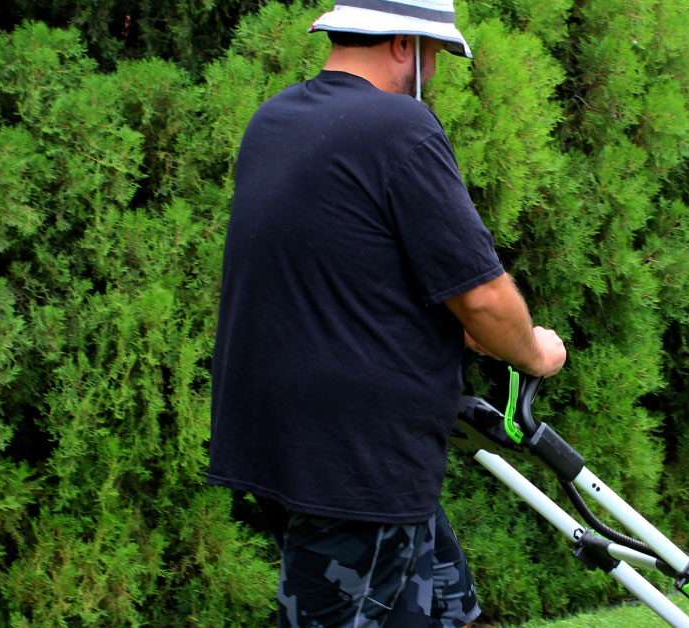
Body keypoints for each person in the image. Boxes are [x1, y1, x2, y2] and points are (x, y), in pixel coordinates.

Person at [206, 1, 567, 626]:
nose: (435, 72)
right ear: (405, 44)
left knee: (446, 612)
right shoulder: (400, 126)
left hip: (285, 442)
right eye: (435, 56)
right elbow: (480, 292)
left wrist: (451, 328)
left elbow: (334, 271)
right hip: (357, 461)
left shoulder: (274, 120)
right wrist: (533, 351)